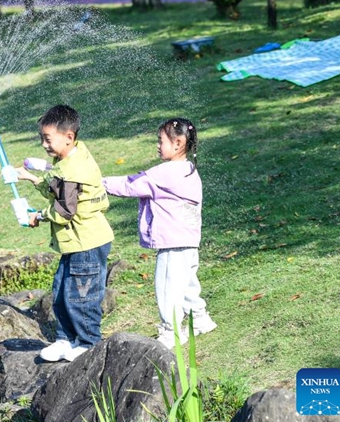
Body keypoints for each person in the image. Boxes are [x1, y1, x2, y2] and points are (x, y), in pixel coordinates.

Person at [102, 118, 217, 349]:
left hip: (172, 242)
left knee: (167, 287)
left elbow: (130, 185)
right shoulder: (189, 169)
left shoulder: (166, 172)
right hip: (189, 240)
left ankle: (171, 332)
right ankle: (200, 319)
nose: (157, 145)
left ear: (177, 144)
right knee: (186, 284)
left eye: (160, 140)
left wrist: (97, 183)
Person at [16, 105, 114, 362]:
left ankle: (88, 344)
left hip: (87, 242)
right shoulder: (70, 158)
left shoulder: (73, 170)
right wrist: (32, 178)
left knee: (81, 296)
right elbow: (55, 189)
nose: (43, 144)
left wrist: (38, 215)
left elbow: (64, 210)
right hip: (74, 243)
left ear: (68, 137)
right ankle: (65, 340)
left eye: (48, 139)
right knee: (60, 293)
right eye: (42, 139)